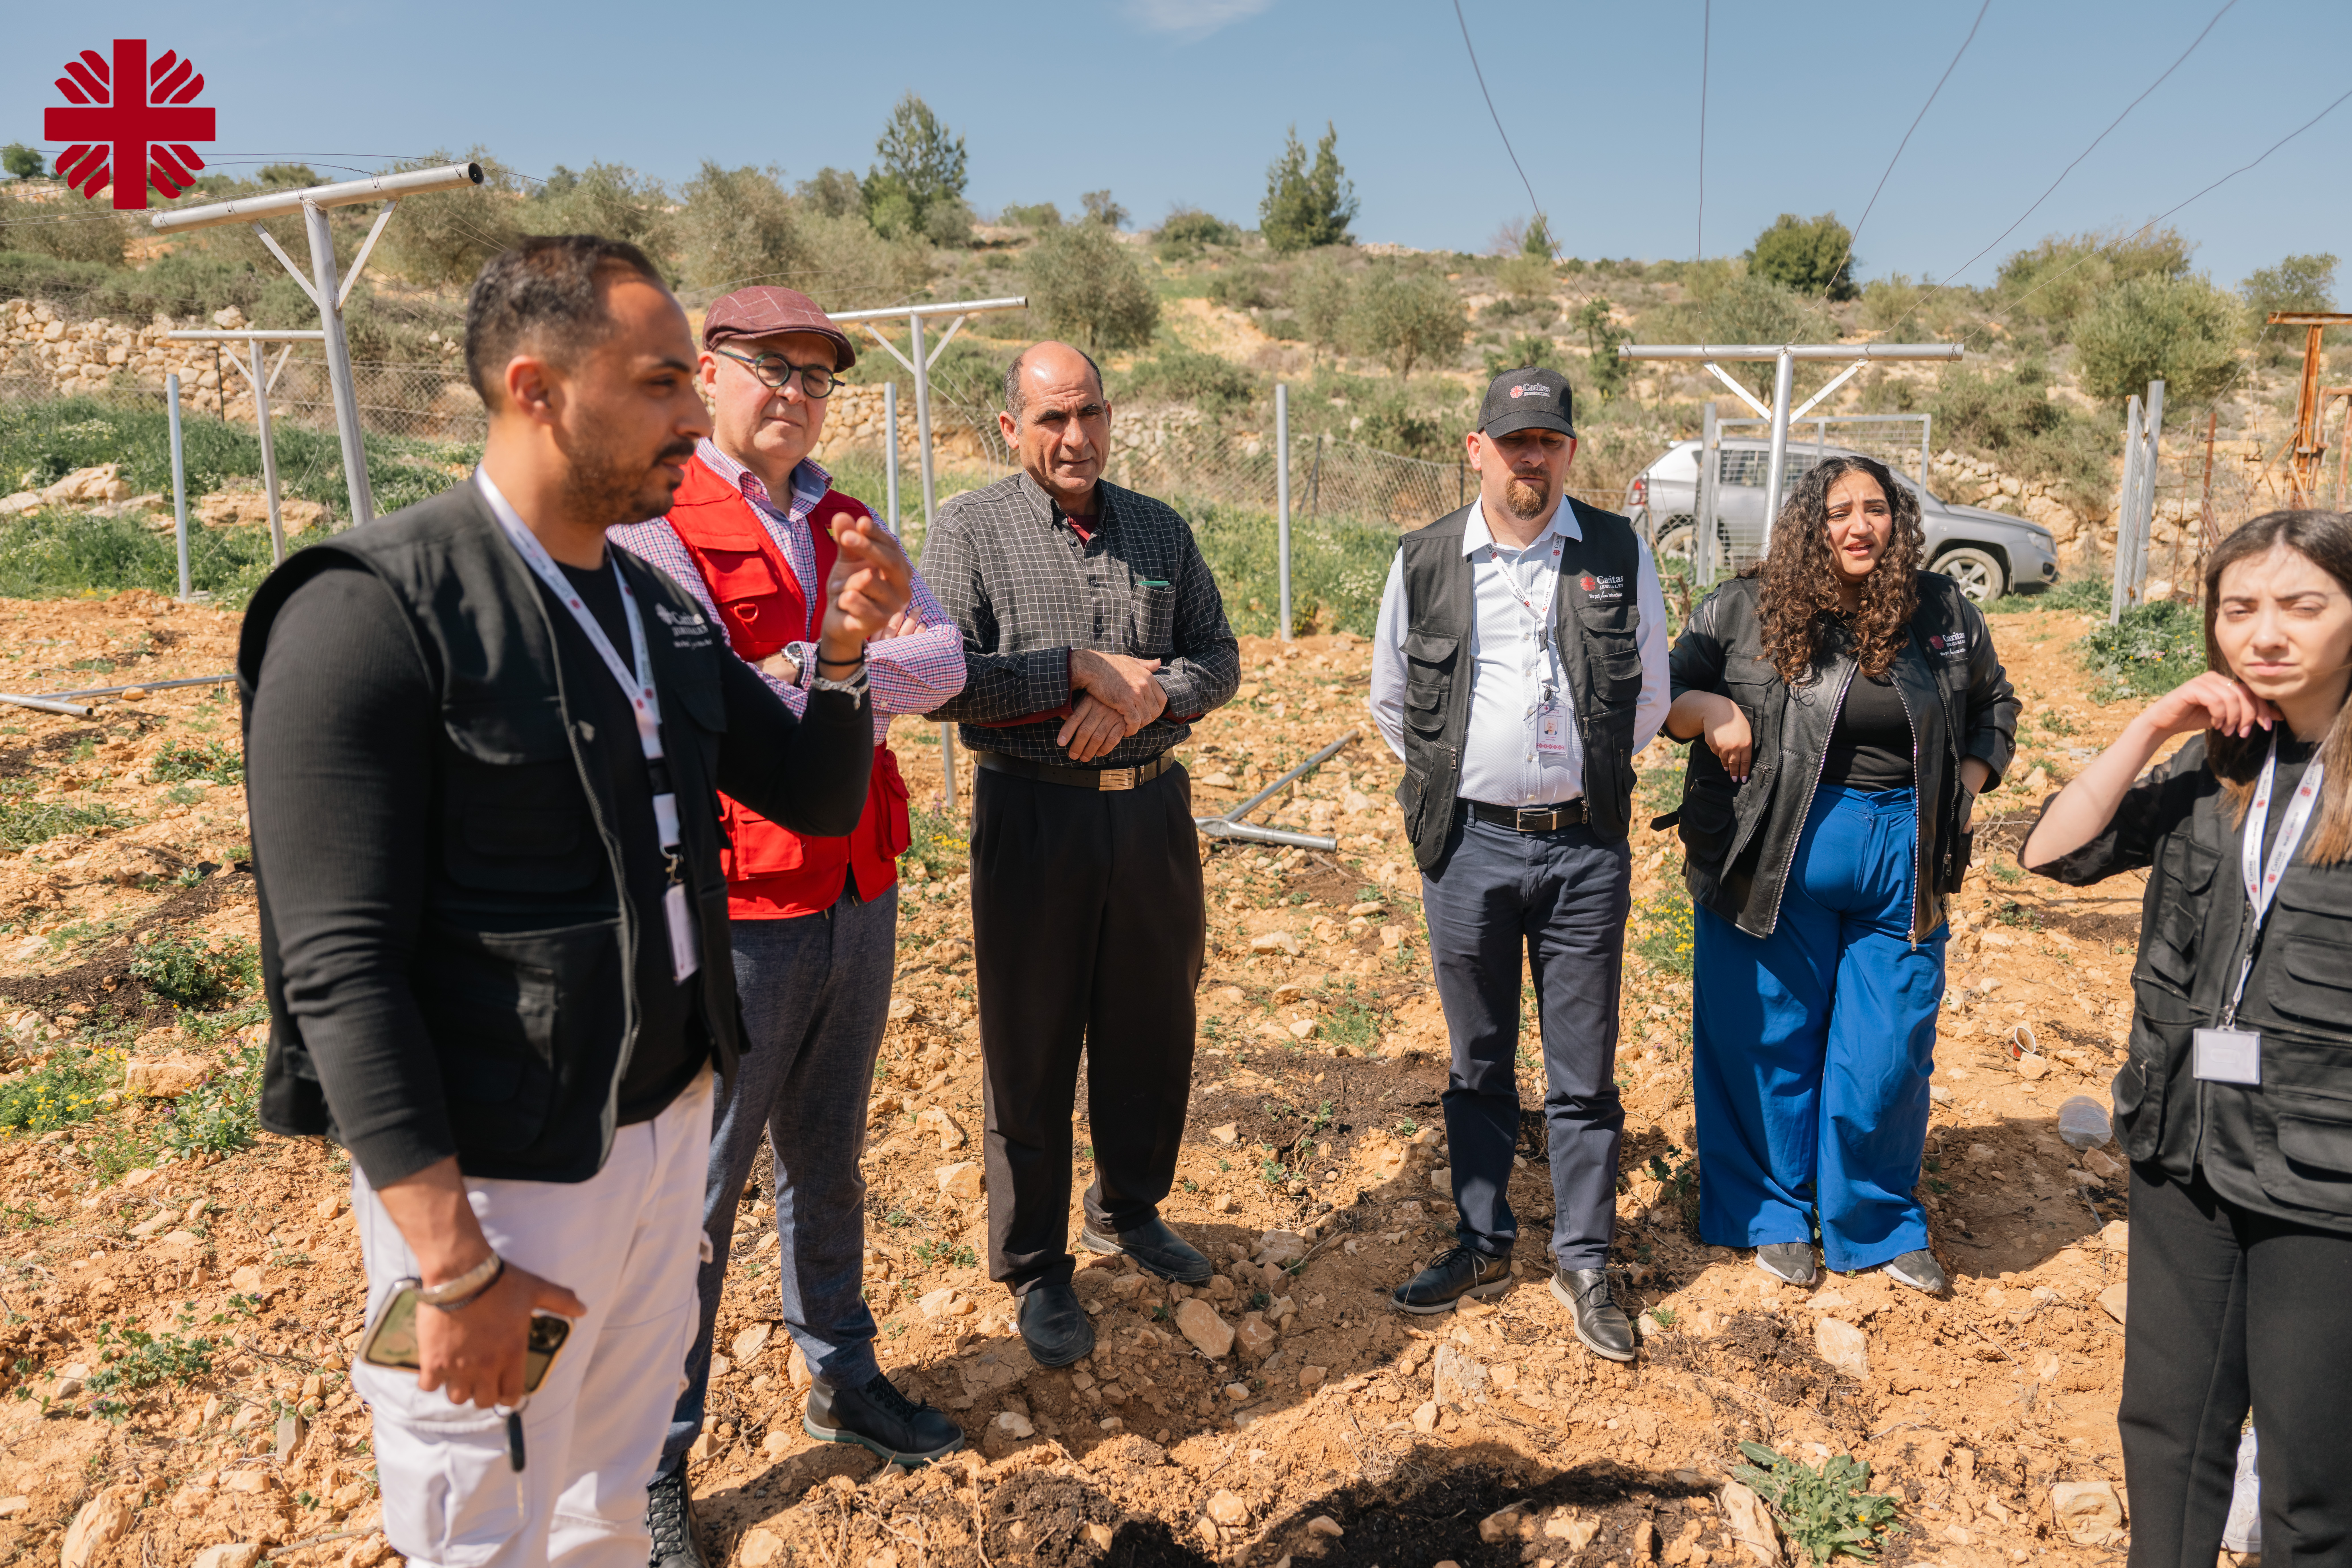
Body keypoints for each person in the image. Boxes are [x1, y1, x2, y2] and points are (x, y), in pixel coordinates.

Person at [240, 236, 909, 1568]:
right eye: (663, 381)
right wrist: (455, 1261)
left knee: (609, 1484)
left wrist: (841, 654)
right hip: (502, 1183)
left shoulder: (651, 611)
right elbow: (337, 972)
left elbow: (813, 797)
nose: (689, 411)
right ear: (538, 388)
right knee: (480, 1510)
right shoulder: (374, 612)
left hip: (667, 1135)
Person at [607, 286, 969, 1533]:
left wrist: (817, 670)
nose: (797, 395)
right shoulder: (663, 518)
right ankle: (657, 1458)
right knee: (698, 1190)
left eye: (818, 377)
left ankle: (844, 1370)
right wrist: (849, 660)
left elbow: (947, 655)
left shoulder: (846, 512)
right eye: (774, 368)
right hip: (744, 899)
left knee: (828, 1151)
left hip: (859, 879)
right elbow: (697, 687)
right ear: (709, 373)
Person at [2022, 509, 2352, 1567]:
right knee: (2167, 1436)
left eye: (2303, 606)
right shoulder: (2217, 775)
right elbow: (2052, 854)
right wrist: (2152, 726)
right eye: (2240, 608)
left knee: (2309, 1484)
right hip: (2182, 1148)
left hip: (2323, 1184)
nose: (2266, 633)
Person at [919, 341, 1240, 1367]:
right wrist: (1074, 677)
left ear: (1110, 417)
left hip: (1149, 815)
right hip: (1034, 818)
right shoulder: (971, 530)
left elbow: (1217, 659)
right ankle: (1034, 1265)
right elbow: (943, 678)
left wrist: (1151, 694)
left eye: (1089, 414)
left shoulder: (1158, 528)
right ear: (1011, 429)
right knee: (1033, 1040)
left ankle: (1130, 1208)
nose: (1074, 437)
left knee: (1154, 1023)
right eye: (1051, 419)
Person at [1366, 366, 1669, 1362]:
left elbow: (1653, 695)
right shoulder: (1423, 560)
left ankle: (1585, 1259)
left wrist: (1571, 783)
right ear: (1476, 449)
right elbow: (1391, 700)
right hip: (1468, 847)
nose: (1528, 457)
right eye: (1512, 441)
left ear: (1570, 452)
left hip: (1585, 849)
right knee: (1478, 1061)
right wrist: (1475, 783)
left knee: (1583, 1076)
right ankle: (1483, 1240)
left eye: (1547, 440)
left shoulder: (1618, 552)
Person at [1665, 455, 2015, 1292]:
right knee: (1767, 1040)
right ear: (1807, 524)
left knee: (1887, 1052)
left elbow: (1993, 705)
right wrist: (1714, 709)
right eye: (1838, 511)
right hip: (1772, 852)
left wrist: (1966, 786)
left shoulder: (1941, 612)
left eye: (1876, 509)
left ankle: (1877, 1219)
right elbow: (1664, 702)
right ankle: (1772, 1212)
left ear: (1898, 522)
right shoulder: (1742, 608)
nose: (1859, 525)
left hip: (1904, 853)